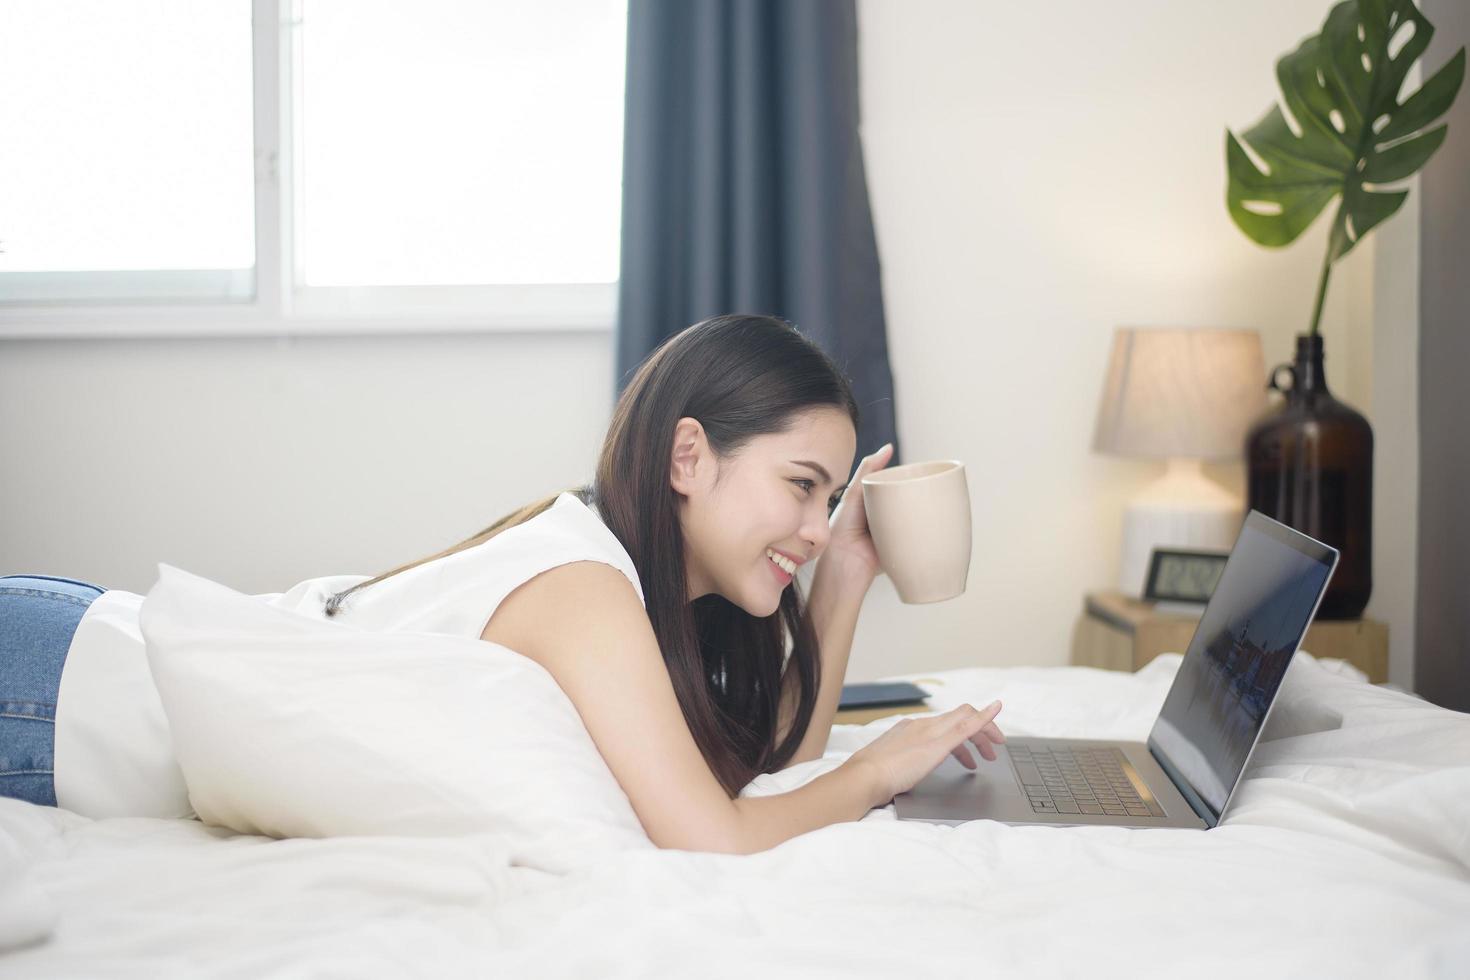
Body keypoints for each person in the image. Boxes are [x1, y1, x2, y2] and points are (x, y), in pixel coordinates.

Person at [1, 314, 1005, 853]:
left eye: (831, 500)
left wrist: (847, 580)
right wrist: (876, 771)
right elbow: (716, 836)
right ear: (689, 457)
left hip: (71, 651)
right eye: (800, 487)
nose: (817, 529)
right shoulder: (585, 589)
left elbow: (778, 751)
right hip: (63, 692)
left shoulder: (630, 574)